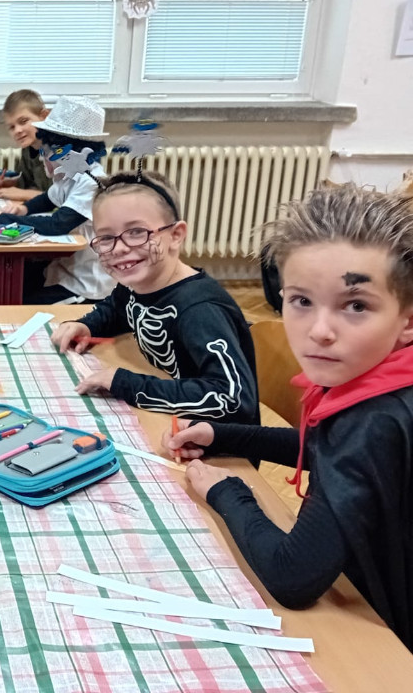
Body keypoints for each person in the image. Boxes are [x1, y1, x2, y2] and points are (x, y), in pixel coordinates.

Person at [163, 183, 413, 650]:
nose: (319, 331)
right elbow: (325, 449)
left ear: (408, 320)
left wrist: (225, 491)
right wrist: (224, 434)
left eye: (356, 305)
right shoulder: (387, 382)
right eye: (301, 301)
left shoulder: (372, 422)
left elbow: (291, 576)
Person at [51, 169, 259, 423]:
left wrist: (125, 383)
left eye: (137, 232)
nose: (120, 248)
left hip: (212, 437)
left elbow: (234, 400)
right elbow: (117, 307)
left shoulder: (199, 310)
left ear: (176, 235)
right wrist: (86, 325)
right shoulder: (139, 284)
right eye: (106, 238)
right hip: (167, 414)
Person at [0, 96, 115, 305]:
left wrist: (3, 218)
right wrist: (23, 209)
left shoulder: (91, 182)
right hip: (60, 272)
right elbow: (46, 199)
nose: (43, 157)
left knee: (15, 305)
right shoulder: (70, 177)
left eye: (46, 151)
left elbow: (57, 224)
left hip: (85, 286)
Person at [0, 89, 52, 202]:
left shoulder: (61, 150)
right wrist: (12, 183)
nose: (17, 130)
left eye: (23, 121)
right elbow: (29, 181)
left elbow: (64, 197)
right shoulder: (28, 148)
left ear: (44, 116)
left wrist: (24, 194)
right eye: (12, 127)